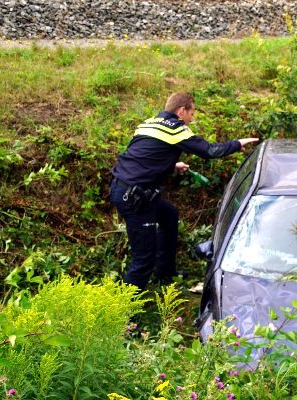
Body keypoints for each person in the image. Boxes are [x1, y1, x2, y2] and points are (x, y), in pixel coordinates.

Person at [109, 92, 258, 290]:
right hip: (135, 198)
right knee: (144, 258)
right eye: (191, 113)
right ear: (181, 111)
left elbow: (142, 157)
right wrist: (237, 144)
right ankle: (125, 314)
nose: (192, 118)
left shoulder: (150, 123)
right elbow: (209, 151)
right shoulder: (175, 129)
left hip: (123, 187)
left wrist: (171, 165)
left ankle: (165, 273)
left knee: (169, 215)